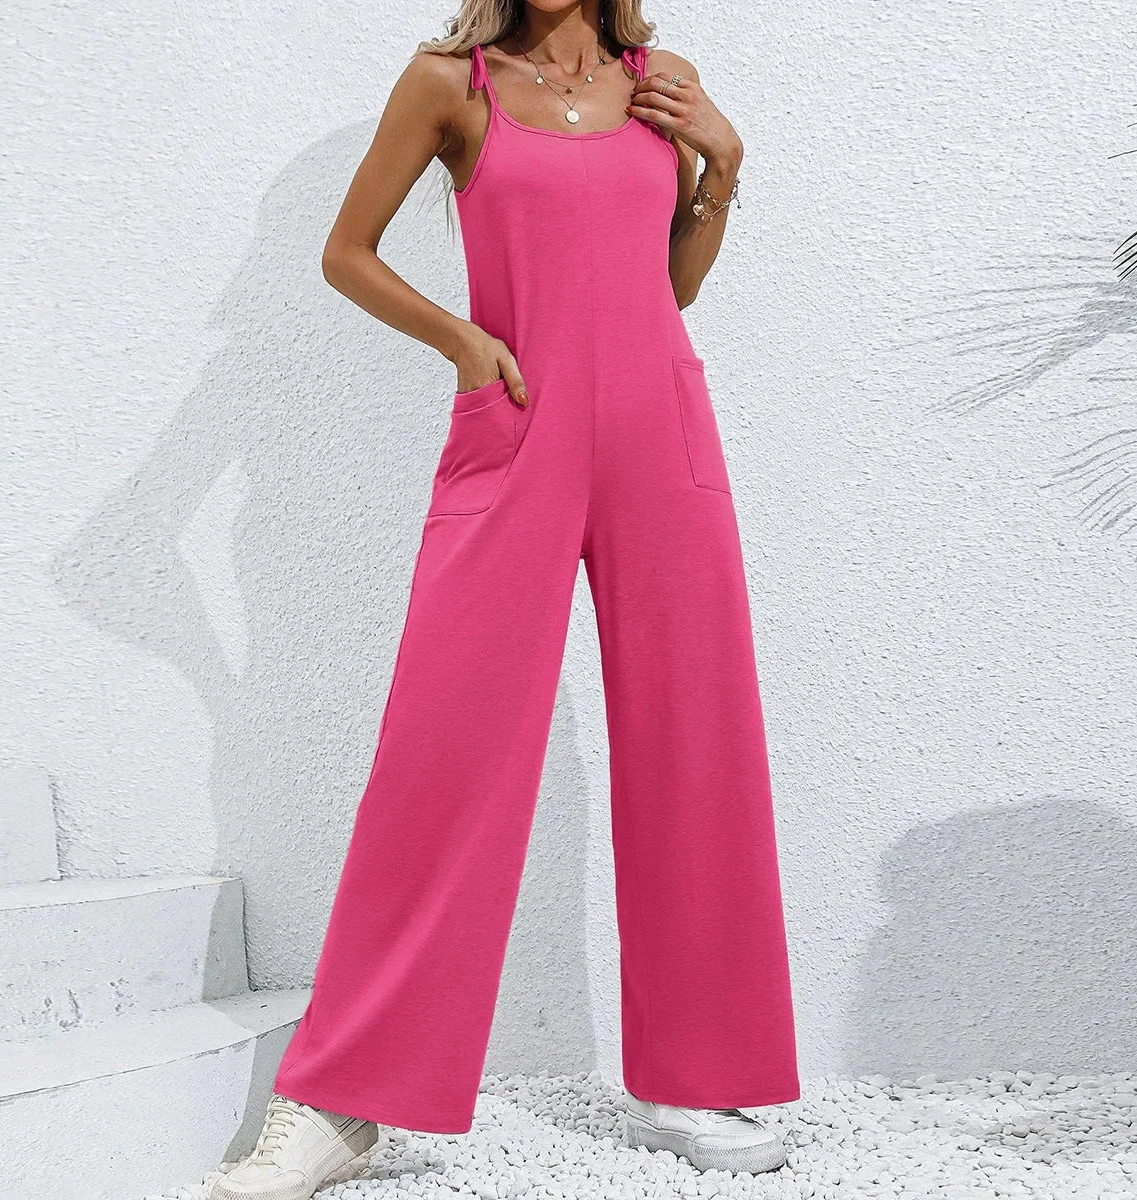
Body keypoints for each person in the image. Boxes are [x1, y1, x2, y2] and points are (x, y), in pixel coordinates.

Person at [210, 3, 798, 1197]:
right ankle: (343, 1097)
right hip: (518, 425)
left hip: (661, 432)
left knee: (695, 743)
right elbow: (347, 253)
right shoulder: (453, 84)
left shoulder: (662, 83)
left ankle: (698, 1078)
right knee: (446, 748)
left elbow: (665, 292)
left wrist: (721, 173)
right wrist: (464, 344)